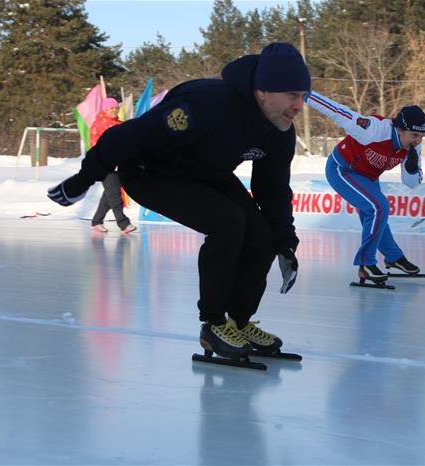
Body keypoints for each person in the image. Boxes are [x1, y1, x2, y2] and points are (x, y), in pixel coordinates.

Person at [47, 43, 309, 360]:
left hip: (206, 173)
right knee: (227, 222)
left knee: (263, 235)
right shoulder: (206, 104)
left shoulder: (280, 129)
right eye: (292, 95)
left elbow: (273, 188)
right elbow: (126, 137)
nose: (299, 105)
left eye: (303, 96)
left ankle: (239, 323)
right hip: (150, 173)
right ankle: (213, 325)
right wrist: (82, 179)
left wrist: (285, 242)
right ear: (263, 90)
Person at [306, 91, 425, 282]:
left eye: (421, 136)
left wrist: (411, 169)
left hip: (367, 177)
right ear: (399, 129)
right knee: (379, 207)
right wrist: (304, 93)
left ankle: (394, 257)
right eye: (414, 135)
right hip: (342, 169)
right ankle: (366, 263)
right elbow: (338, 111)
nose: (418, 141)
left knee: (377, 213)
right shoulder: (374, 129)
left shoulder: (413, 146)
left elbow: (411, 183)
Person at [88, 97, 136, 234]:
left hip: (119, 165)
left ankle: (96, 221)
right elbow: (96, 146)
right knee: (115, 194)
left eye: (116, 108)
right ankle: (123, 223)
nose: (114, 110)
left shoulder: (120, 124)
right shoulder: (98, 125)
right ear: (105, 109)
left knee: (109, 194)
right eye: (111, 108)